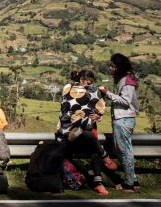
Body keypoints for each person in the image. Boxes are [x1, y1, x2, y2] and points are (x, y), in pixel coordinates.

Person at [57, 69, 115, 195]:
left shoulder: (94, 91)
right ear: (80, 80)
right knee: (68, 148)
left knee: (93, 149)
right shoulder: (69, 87)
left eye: (91, 82)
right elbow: (66, 104)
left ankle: (98, 183)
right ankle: (104, 156)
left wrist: (99, 116)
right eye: (87, 82)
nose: (89, 84)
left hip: (88, 127)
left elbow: (100, 106)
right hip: (69, 126)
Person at [100, 53, 140, 192]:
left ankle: (129, 182)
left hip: (123, 119)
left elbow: (125, 101)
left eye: (113, 66)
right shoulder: (124, 79)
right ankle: (133, 179)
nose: (110, 68)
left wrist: (108, 93)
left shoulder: (127, 81)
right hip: (123, 119)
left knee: (123, 151)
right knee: (125, 150)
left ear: (119, 67)